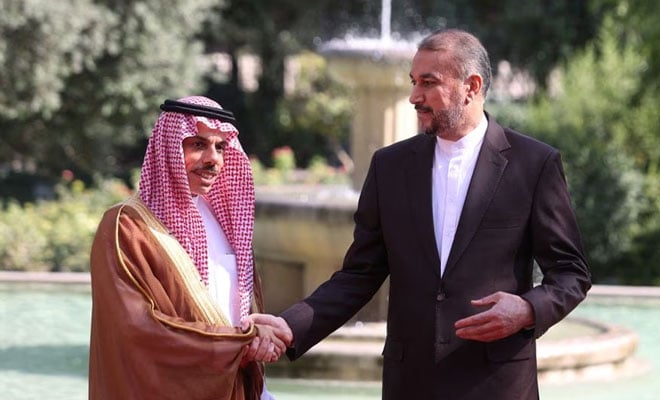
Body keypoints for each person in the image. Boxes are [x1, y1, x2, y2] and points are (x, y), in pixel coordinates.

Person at [252, 29, 591, 400]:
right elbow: (358, 276)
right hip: (409, 383)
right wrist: (289, 326)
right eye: (414, 82)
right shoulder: (389, 166)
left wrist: (528, 309)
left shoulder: (534, 164)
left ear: (471, 86)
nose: (414, 96)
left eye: (428, 83)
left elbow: (570, 274)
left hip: (497, 385)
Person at [89, 96, 284, 400]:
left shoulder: (224, 222)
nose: (213, 159)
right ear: (168, 149)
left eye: (220, 147)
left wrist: (256, 338)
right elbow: (139, 329)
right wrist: (239, 342)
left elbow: (240, 312)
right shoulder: (126, 226)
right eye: (198, 145)